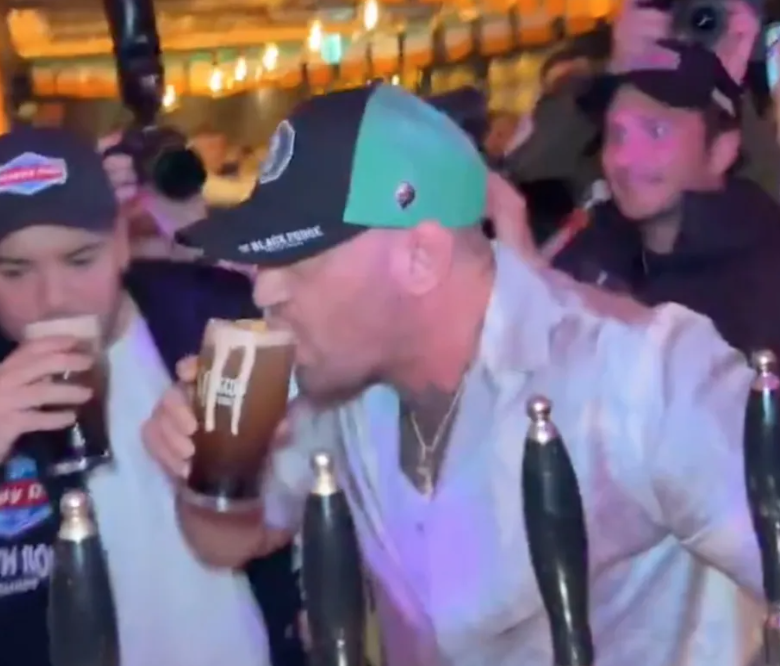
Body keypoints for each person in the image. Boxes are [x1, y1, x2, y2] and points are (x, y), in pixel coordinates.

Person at [144, 84, 763, 666]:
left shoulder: (638, 373)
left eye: (295, 260)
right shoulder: (334, 384)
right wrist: (207, 471)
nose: (267, 290)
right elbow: (230, 542)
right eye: (261, 262)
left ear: (420, 258)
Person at [0, 127, 306, 666]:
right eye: (14, 270)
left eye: (80, 260)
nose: (53, 298)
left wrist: (245, 470)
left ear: (122, 241)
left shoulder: (217, 318)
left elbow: (309, 492)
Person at [552, 40, 780, 355]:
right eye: (616, 133)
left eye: (656, 131)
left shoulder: (763, 284)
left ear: (720, 151)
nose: (623, 158)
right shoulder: (589, 252)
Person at [502, 0, 780, 210]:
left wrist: (722, 99)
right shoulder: (592, 68)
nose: (701, 22)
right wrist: (616, 78)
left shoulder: (755, 80)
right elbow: (523, 186)